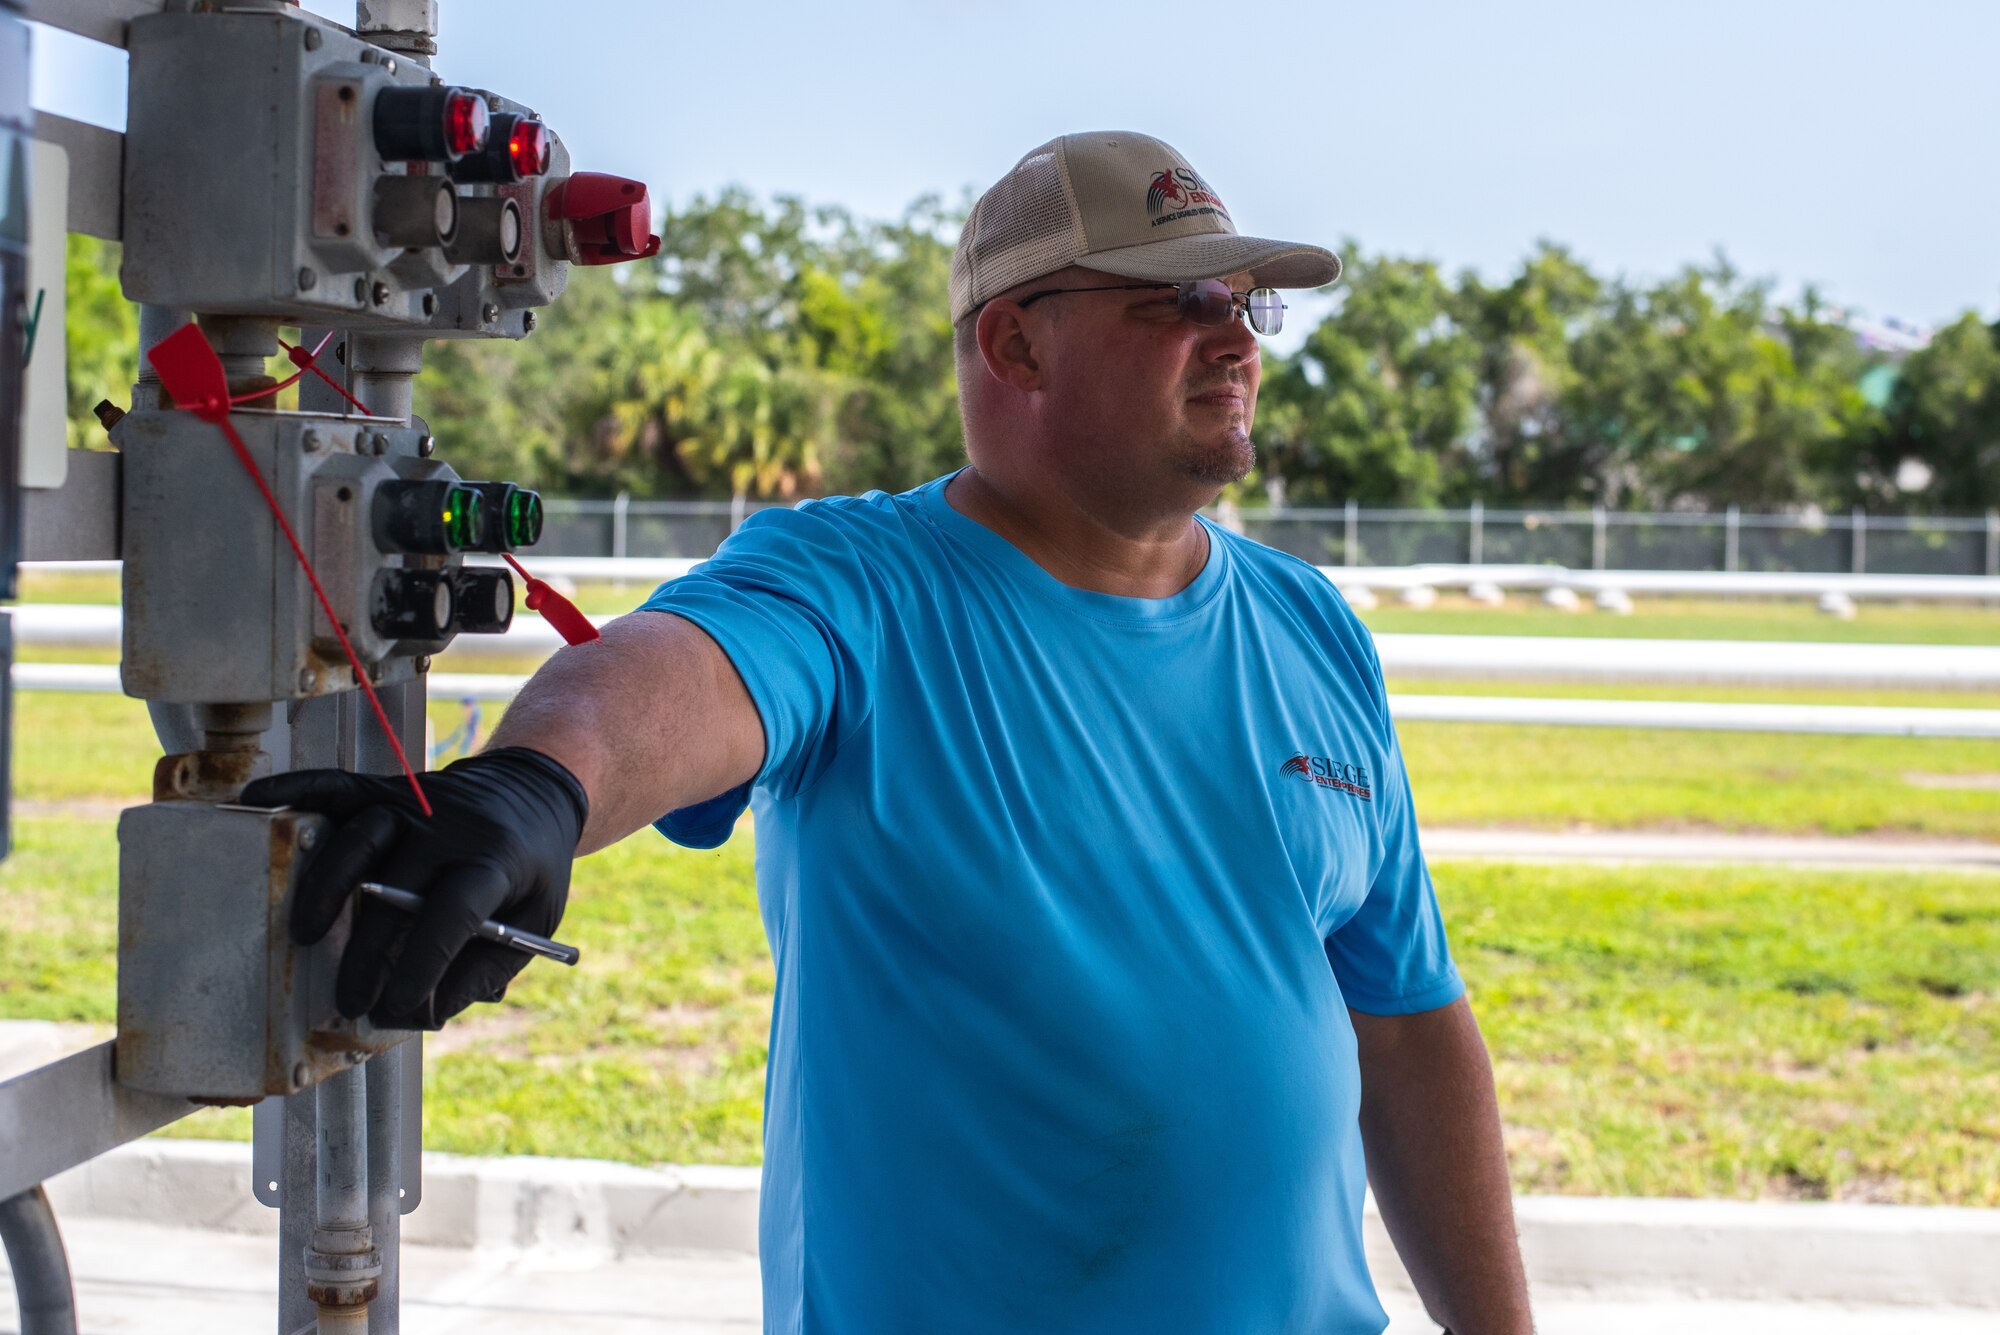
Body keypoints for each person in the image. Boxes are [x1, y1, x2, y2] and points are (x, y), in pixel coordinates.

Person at [246, 131, 1533, 1335]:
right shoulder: (861, 579)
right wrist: (537, 787)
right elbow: (684, 669)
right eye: (1173, 304)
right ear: (1015, 347)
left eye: (1242, 305)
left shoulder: (1308, 626)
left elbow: (1407, 1023)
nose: (1233, 341)